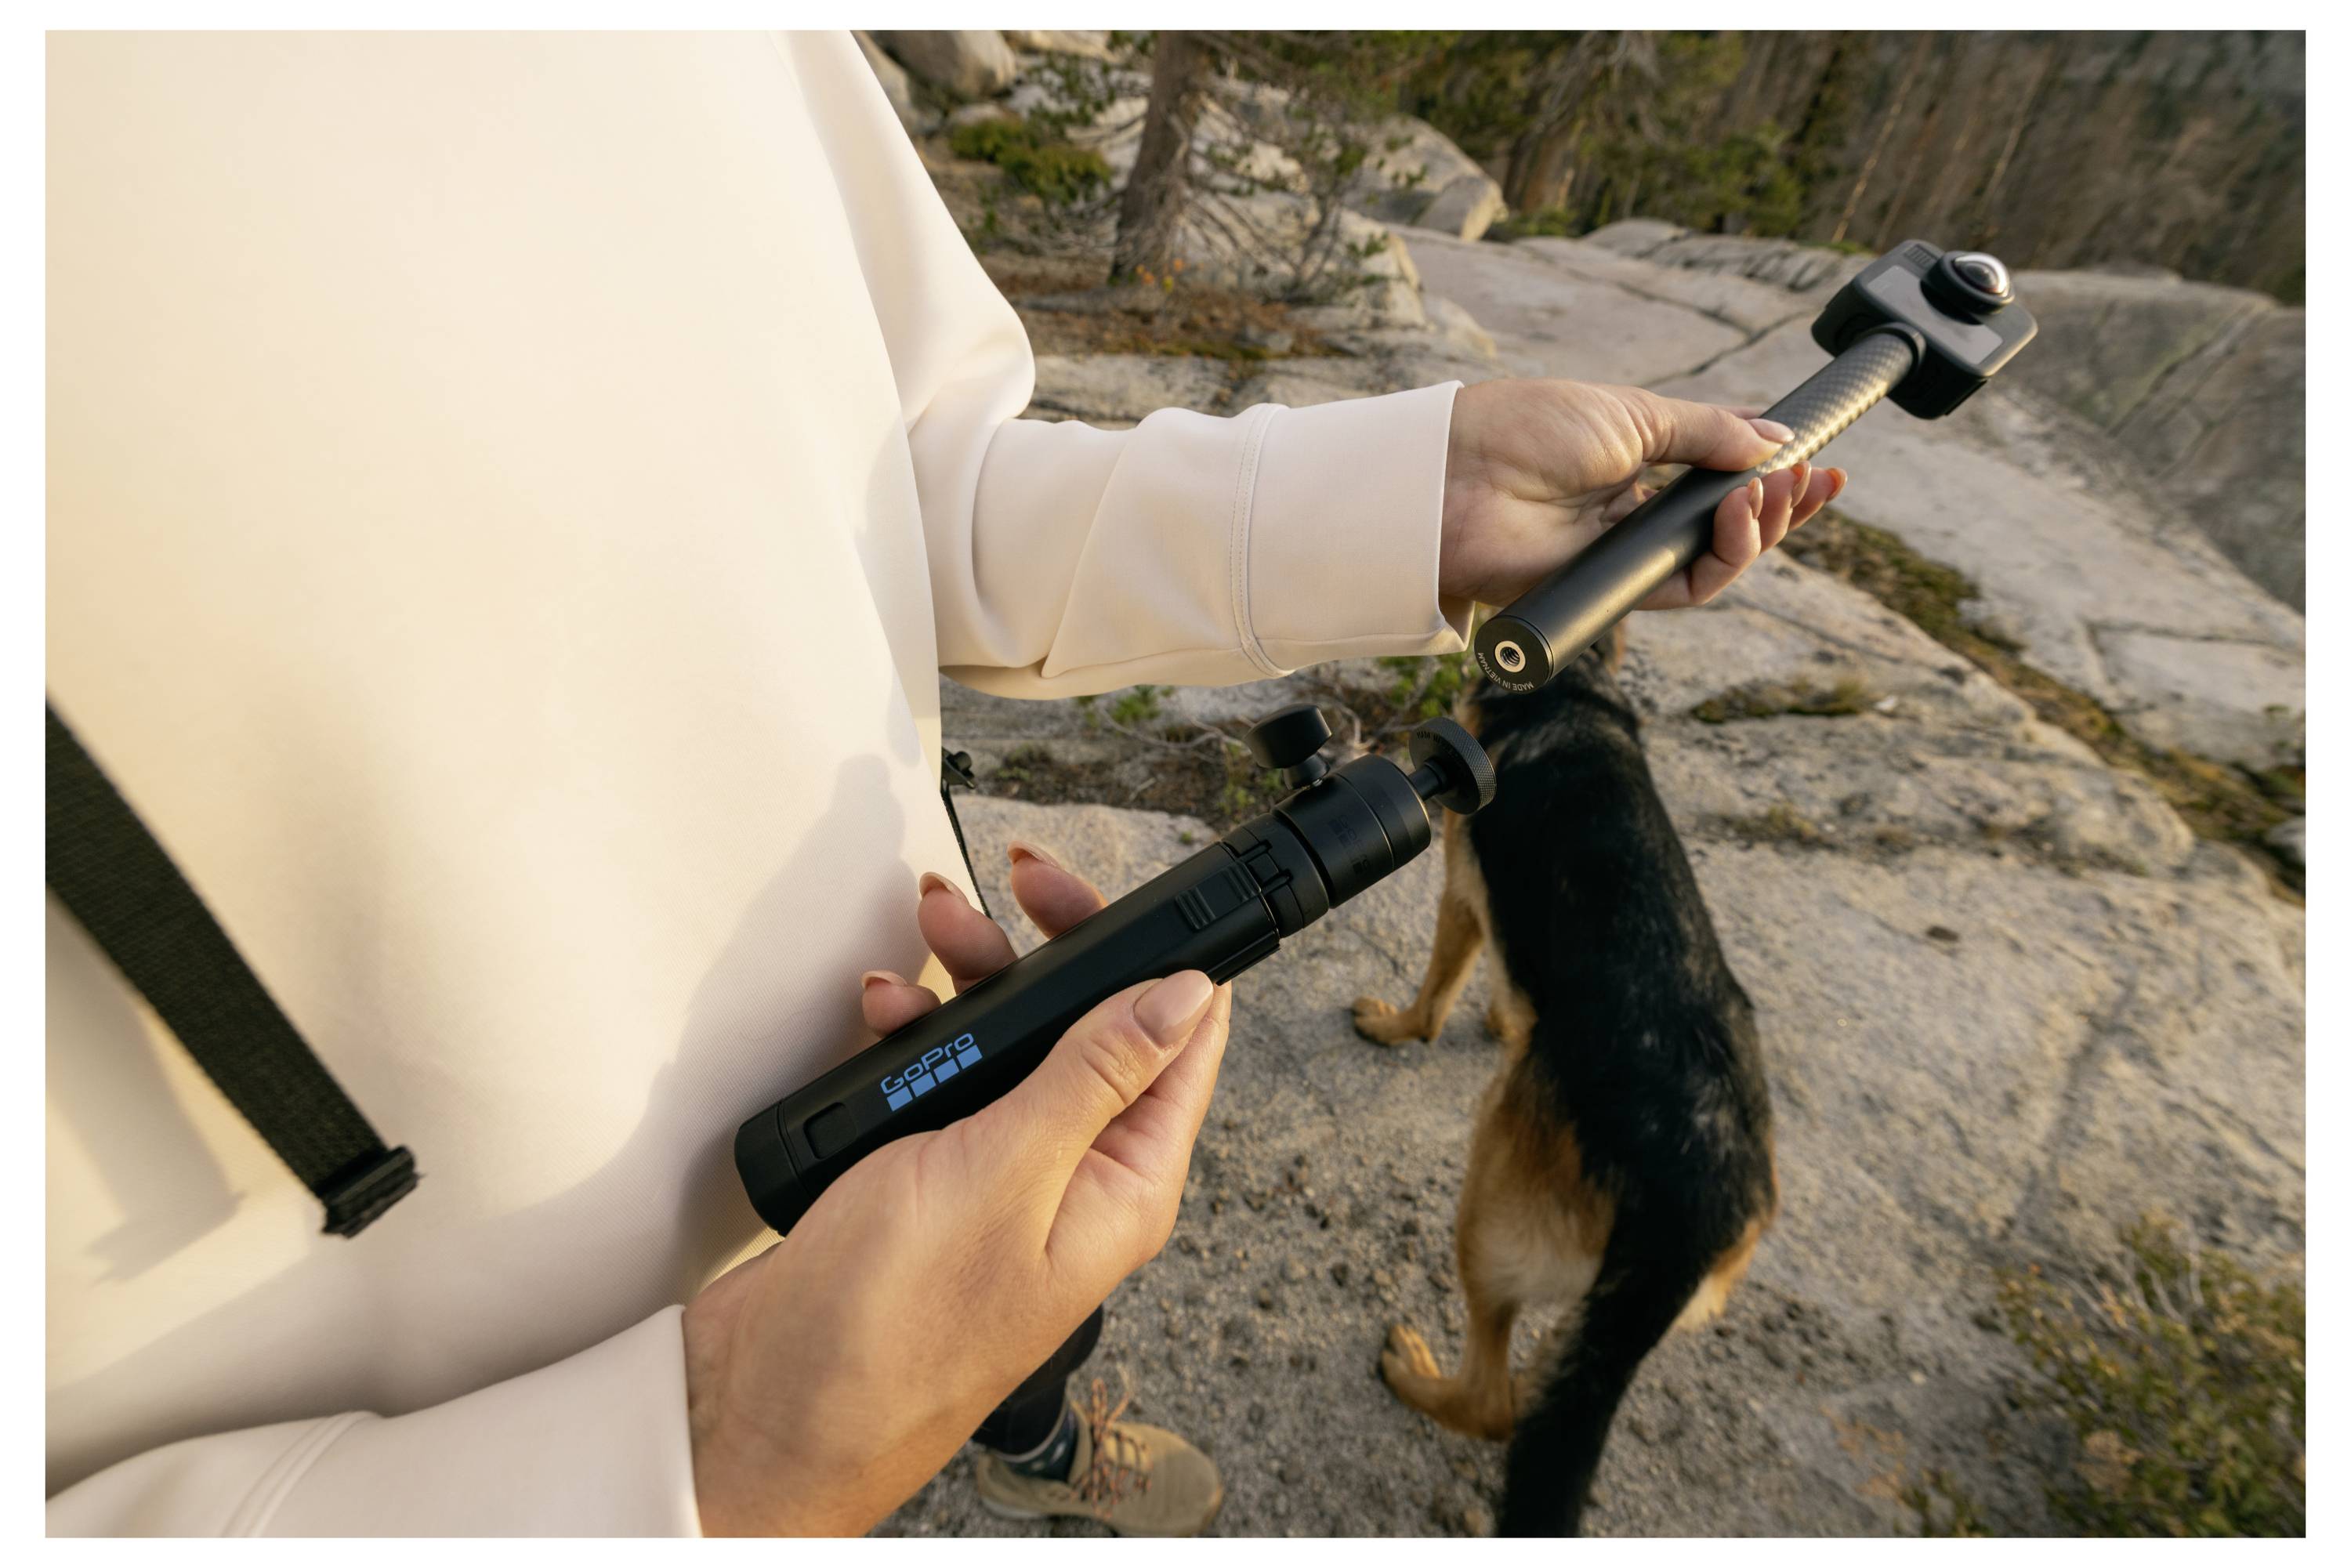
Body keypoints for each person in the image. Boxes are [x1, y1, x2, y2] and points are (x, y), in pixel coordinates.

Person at [45, 32, 1843, 1537]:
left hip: (958, 1055)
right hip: (500, 1467)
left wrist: (1408, 494)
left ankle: (1036, 1424)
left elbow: (913, 475)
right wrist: (711, 1456)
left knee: (1031, 1311)